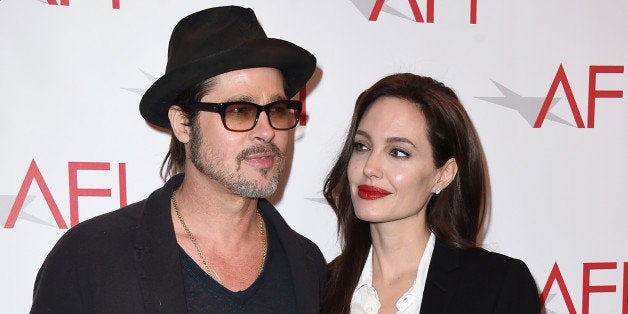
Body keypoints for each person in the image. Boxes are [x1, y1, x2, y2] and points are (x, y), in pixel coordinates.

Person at [31, 6, 325, 313]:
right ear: (183, 124)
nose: (266, 131)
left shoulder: (307, 265)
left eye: (277, 109)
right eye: (240, 111)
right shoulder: (89, 260)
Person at [321, 73, 540, 313]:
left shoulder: (496, 286)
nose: (369, 168)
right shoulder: (319, 287)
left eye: (398, 152)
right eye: (361, 146)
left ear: (443, 174)